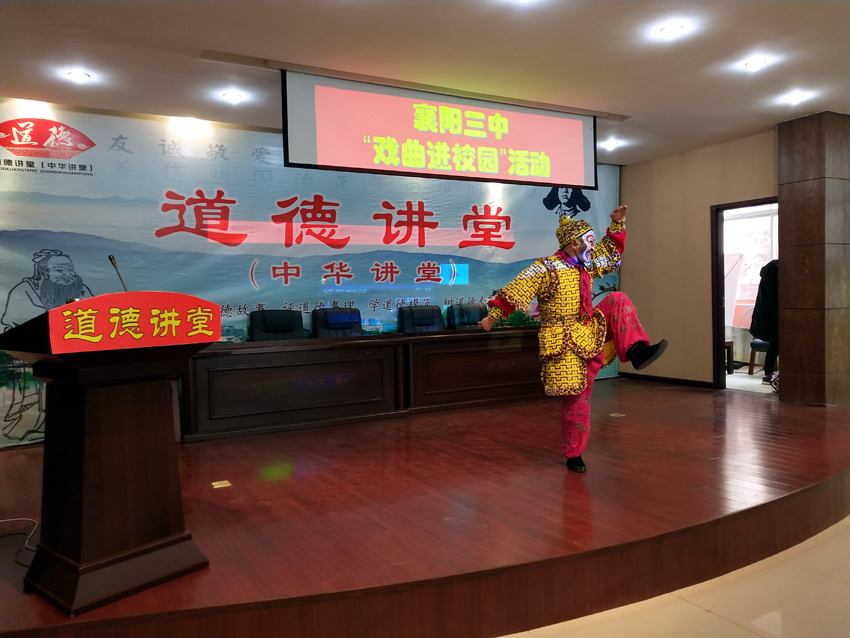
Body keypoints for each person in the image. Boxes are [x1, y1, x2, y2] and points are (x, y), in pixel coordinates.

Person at [478, 205, 667, 472]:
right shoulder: (545, 268)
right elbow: (517, 289)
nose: (592, 248)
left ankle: (636, 350)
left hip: (589, 330)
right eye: (588, 243)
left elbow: (610, 251)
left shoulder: (585, 263)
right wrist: (492, 316)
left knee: (617, 298)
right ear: (574, 244)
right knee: (577, 399)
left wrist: (617, 224)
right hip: (563, 342)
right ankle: (574, 453)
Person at [1, 249, 93, 330]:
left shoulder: (77, 287)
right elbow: (19, 316)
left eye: (70, 269)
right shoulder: (25, 289)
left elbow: (90, 307)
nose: (68, 274)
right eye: (60, 270)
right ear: (45, 273)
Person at [749, 259, 779, 389]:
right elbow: (773, 302)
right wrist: (781, 319)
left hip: (765, 318)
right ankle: (768, 374)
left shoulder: (767, 276)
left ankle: (768, 374)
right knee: (776, 344)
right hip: (770, 319)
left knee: (775, 345)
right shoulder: (772, 279)